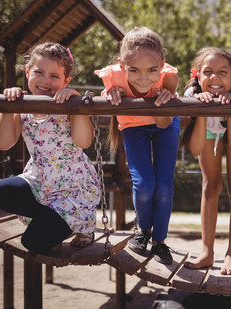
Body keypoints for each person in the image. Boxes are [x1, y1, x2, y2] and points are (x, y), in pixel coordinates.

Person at [0, 42, 100, 254]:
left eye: (54, 76)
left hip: (72, 189)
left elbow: (84, 142)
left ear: (66, 81)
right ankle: (58, 224)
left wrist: (76, 105)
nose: (45, 81)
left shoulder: (67, 106)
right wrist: (7, 106)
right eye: (39, 72)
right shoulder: (22, 104)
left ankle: (78, 224)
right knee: (0, 192)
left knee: (33, 243)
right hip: (39, 182)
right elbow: (3, 143)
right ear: (28, 71)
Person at [95, 27, 180, 265]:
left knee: (163, 187)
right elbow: (108, 95)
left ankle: (160, 241)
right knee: (144, 185)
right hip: (133, 125)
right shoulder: (113, 76)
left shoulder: (169, 77)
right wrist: (110, 93)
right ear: (122, 65)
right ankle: (142, 230)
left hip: (165, 125)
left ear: (162, 64)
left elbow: (164, 123)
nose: (144, 78)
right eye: (134, 70)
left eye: (152, 70)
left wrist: (165, 98)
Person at [180, 47, 231, 275]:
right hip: (207, 130)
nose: (214, 78)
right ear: (197, 76)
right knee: (211, 186)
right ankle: (207, 252)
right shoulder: (191, 97)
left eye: (222, 72)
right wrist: (200, 108)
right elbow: (195, 147)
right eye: (207, 72)